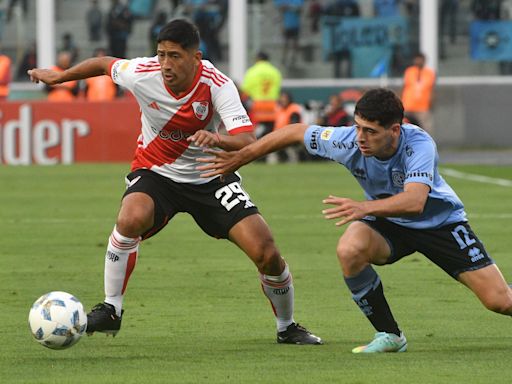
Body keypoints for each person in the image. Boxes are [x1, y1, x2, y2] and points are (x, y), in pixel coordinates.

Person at [27, 18, 322, 345]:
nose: (165, 64)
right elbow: (103, 63)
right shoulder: (143, 72)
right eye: (161, 54)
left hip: (209, 176)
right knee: (130, 218)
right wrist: (61, 77)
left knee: (266, 251)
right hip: (157, 173)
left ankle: (287, 327)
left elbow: (247, 140)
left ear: (196, 57)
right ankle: (112, 309)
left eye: (174, 56)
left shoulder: (217, 83)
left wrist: (216, 138)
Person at [196, 88, 512, 353]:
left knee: (498, 301)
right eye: (358, 126)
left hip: (439, 224)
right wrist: (244, 156)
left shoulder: (419, 144)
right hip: (388, 221)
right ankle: (390, 336)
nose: (360, 137)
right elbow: (294, 132)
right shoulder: (347, 139)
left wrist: (363, 208)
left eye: (370, 131)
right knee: (350, 249)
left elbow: (415, 202)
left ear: (395, 130)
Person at [241, 52, 282, 139]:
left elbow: (245, 91)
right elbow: (278, 88)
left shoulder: (252, 71)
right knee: (270, 130)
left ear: (257, 59)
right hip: (272, 105)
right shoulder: (275, 71)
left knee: (256, 131)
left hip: (257, 104)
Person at [401, 52, 436, 135]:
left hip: (423, 107)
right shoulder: (409, 71)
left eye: (421, 59)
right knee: (405, 128)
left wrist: (432, 103)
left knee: (426, 129)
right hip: (408, 106)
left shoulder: (429, 73)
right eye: (417, 59)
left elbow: (432, 90)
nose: (418, 61)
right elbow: (405, 87)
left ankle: (427, 146)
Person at [266, 91, 303, 164]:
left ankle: (293, 162)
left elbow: (294, 125)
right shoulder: (278, 109)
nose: (283, 100)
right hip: (277, 137)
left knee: (290, 149)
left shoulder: (293, 109)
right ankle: (272, 164)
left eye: (285, 98)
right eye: (281, 98)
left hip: (290, 136)